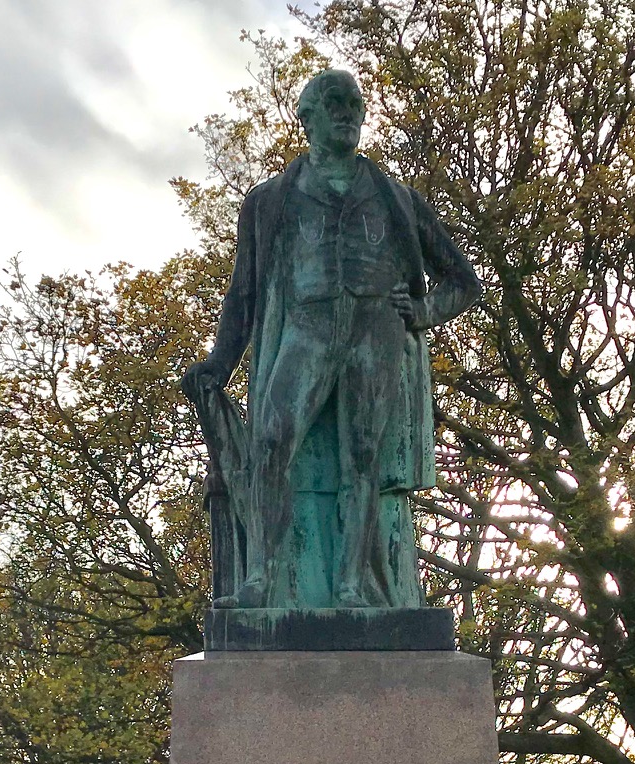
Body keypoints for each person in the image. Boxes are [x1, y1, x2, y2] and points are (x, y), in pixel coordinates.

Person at [182, 68, 481, 610]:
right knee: (271, 442)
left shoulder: (397, 198)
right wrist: (220, 361)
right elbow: (243, 294)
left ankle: (349, 587)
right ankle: (261, 581)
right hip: (308, 328)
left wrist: (421, 312)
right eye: (334, 103)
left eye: (355, 104)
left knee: (362, 459)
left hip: (376, 333)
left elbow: (464, 282)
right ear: (307, 116)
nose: (347, 113)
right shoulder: (270, 199)